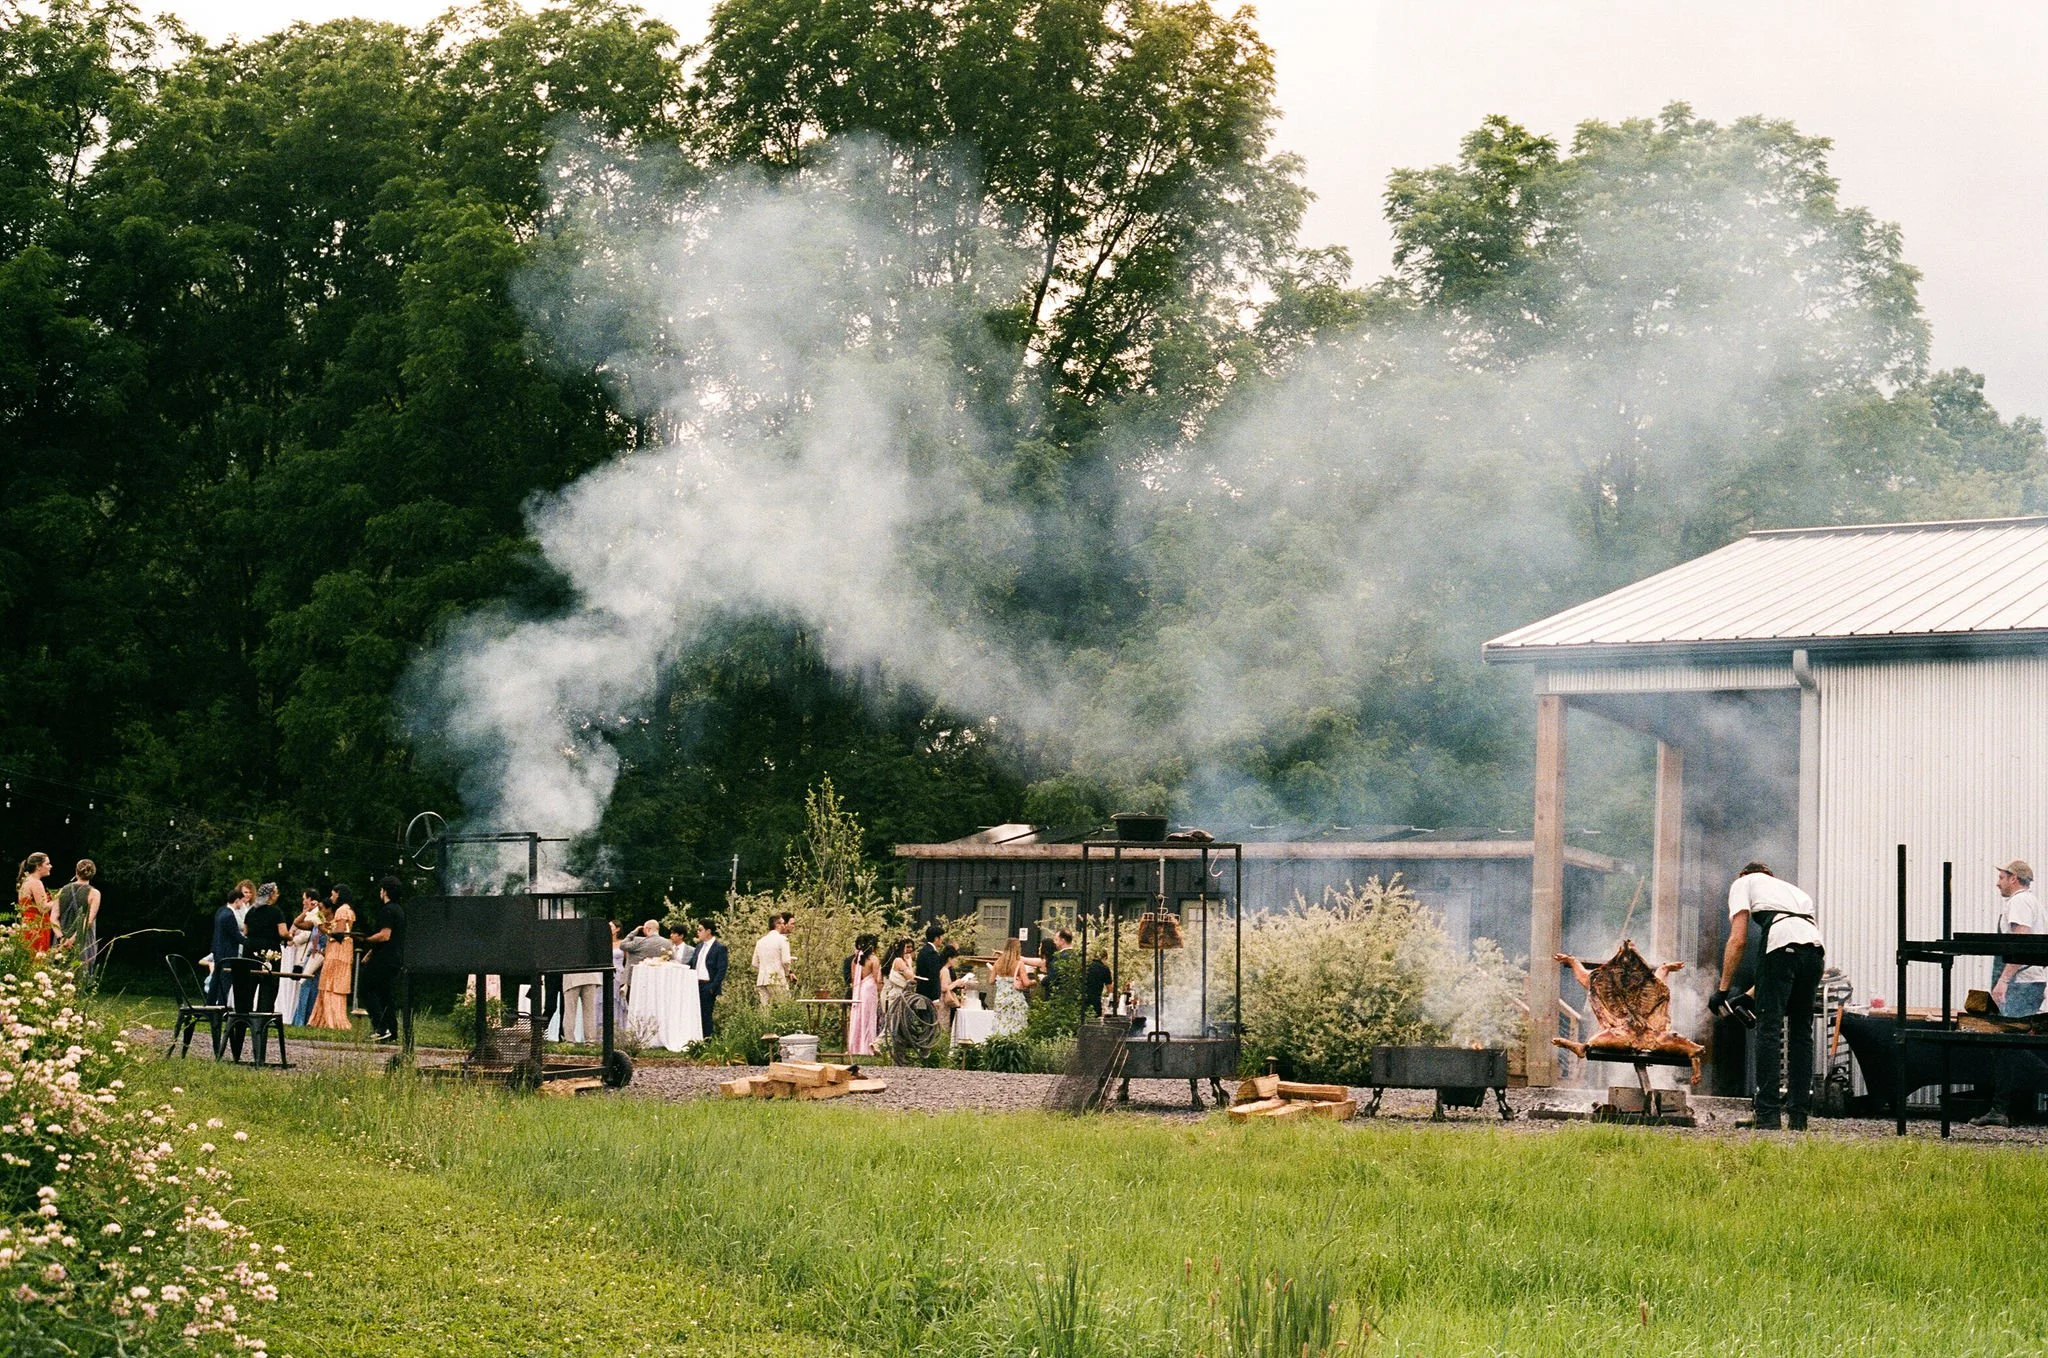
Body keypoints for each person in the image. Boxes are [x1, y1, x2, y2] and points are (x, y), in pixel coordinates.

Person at [1714, 861, 1824, 1131]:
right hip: (1815, 952)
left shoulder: (1743, 882)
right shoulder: (1796, 892)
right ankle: (1798, 1118)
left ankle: (1767, 1115)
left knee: (1769, 1028)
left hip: (1780, 944)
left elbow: (1738, 940)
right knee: (1801, 1033)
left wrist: (1723, 991)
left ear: (1744, 875)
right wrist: (1750, 996)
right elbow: (1795, 951)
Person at [1990, 860, 2043, 1017]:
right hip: (2029, 981)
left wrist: (2004, 980)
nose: (1998, 884)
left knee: (2013, 1029)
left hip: (2021, 982)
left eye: (2001, 878)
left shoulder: (2019, 901)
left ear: (2013, 878)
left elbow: (2021, 943)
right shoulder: (2031, 902)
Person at [357, 876, 407, 1042]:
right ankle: (392, 1031)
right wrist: (369, 954)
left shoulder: (387, 910)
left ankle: (380, 1026)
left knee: (366, 987)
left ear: (385, 891)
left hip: (384, 958)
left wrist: (366, 939)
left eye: (381, 890)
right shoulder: (399, 910)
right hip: (394, 957)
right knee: (385, 994)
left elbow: (385, 936)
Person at [309, 885, 355, 1030]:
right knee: (334, 982)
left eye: (333, 894)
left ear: (339, 895)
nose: (331, 897)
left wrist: (323, 928)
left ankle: (331, 1019)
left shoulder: (342, 910)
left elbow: (339, 933)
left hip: (337, 950)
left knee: (331, 982)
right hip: (343, 949)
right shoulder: (349, 910)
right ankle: (323, 1018)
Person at [285, 889, 326, 1027]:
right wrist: (306, 910)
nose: (303, 901)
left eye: (305, 899)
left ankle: (303, 1019)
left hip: (315, 953)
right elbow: (297, 923)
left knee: (307, 984)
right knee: (308, 985)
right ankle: (302, 1019)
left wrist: (310, 910)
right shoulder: (312, 914)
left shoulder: (318, 915)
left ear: (311, 899)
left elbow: (312, 934)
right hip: (312, 953)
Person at [54, 859, 100, 972]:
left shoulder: (62, 890)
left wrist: (62, 938)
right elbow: (88, 921)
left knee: (58, 974)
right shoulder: (94, 893)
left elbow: (53, 918)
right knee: (80, 974)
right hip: (83, 940)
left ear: (76, 871)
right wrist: (72, 940)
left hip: (61, 937)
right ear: (93, 873)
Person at [207, 883, 247, 1007]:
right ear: (237, 900)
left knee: (215, 980)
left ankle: (210, 1004)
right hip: (227, 953)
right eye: (242, 901)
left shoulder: (221, 911)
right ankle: (221, 1006)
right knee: (225, 982)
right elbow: (236, 935)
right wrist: (249, 943)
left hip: (218, 951)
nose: (242, 904)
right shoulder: (229, 915)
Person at [989, 938, 1034, 1036]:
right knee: (1016, 1026)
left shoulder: (998, 963)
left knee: (1001, 1024)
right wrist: (1034, 981)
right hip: (1015, 1000)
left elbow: (991, 981)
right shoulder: (1019, 964)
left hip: (1000, 999)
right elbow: (1026, 983)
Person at [618, 920, 671, 1000]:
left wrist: (634, 932)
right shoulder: (667, 943)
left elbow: (622, 945)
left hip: (635, 980)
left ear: (648, 929)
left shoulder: (639, 941)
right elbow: (672, 958)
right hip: (656, 981)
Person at [847, 933, 880, 1056]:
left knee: (859, 1016)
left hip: (859, 989)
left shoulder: (855, 960)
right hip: (869, 988)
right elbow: (877, 978)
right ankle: (867, 1045)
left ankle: (856, 1045)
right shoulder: (873, 959)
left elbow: (853, 978)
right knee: (869, 1016)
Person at [693, 921, 728, 1037]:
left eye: (700, 930)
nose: (698, 932)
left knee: (706, 1014)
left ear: (708, 931)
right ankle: (696, 1038)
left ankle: (707, 1040)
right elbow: (692, 963)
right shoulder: (699, 947)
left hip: (708, 985)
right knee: (695, 1013)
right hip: (695, 984)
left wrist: (713, 987)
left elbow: (721, 969)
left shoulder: (719, 948)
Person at [16, 852, 54, 955]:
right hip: (36, 927)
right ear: (38, 867)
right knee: (37, 958)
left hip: (28, 924)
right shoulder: (36, 882)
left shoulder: (27, 881)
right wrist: (58, 900)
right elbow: (43, 908)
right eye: (47, 864)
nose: (50, 866)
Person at [752, 912, 793, 1006]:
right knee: (784, 1006)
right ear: (777, 924)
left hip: (762, 980)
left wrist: (763, 968)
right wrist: (787, 973)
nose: (784, 926)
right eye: (782, 923)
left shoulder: (760, 941)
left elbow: (754, 963)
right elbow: (786, 961)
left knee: (765, 1010)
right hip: (777, 979)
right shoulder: (782, 940)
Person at [914, 923, 946, 1006]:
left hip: (921, 990)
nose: (942, 939)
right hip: (928, 994)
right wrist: (935, 997)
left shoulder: (923, 950)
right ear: (936, 938)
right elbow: (934, 975)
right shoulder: (931, 953)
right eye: (941, 937)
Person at [1083, 947, 1113, 1018]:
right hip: (1096, 1000)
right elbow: (1110, 989)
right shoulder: (1105, 969)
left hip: (1083, 999)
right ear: (1105, 958)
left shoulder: (1086, 966)